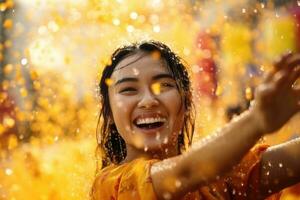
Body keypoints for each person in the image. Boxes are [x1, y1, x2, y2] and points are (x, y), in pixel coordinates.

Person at [91, 40, 300, 200]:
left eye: (164, 85)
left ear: (187, 102)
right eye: (128, 89)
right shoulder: (111, 186)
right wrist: (256, 119)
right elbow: (184, 173)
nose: (148, 101)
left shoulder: (223, 179)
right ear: (109, 114)